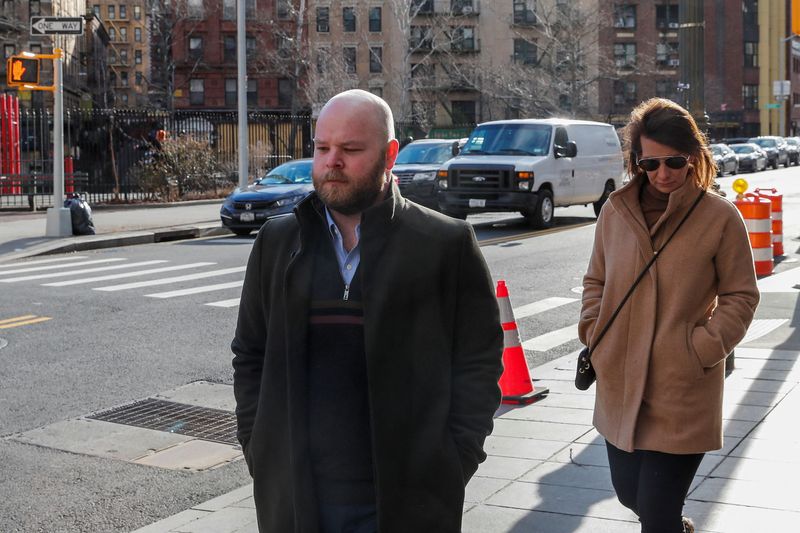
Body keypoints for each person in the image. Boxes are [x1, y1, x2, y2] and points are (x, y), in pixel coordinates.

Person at [231, 89, 503, 533]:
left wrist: (451, 464)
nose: (332, 161)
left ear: (389, 154)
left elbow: (478, 362)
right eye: (322, 148)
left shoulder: (444, 245)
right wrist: (258, 448)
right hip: (298, 502)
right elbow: (250, 354)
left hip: (406, 502)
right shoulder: (277, 244)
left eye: (351, 149)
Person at [578, 98, 759, 533]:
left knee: (656, 514)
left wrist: (701, 348)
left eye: (674, 161)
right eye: (650, 163)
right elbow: (595, 280)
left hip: (681, 387)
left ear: (694, 156)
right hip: (620, 382)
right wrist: (593, 329)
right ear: (636, 160)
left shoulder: (719, 216)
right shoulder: (615, 212)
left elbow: (741, 294)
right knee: (630, 495)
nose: (662, 173)